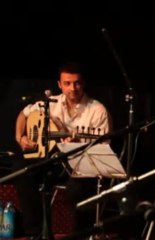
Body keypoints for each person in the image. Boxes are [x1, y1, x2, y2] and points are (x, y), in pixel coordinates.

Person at [14, 62, 112, 238]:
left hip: (81, 164)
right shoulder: (51, 103)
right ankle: (35, 233)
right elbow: (24, 114)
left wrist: (76, 144)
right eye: (67, 83)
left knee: (76, 188)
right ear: (59, 84)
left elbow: (102, 148)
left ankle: (79, 235)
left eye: (77, 83)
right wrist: (20, 137)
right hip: (53, 159)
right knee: (22, 171)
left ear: (84, 83)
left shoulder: (97, 110)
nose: (72, 88)